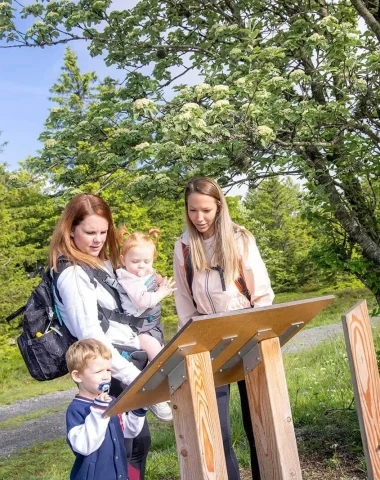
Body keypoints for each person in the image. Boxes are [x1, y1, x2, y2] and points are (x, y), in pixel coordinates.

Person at [48, 193, 162, 480]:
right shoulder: (73, 274)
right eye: (89, 232)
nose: (97, 239)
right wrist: (134, 377)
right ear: (70, 230)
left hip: (124, 366)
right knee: (121, 451)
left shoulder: (98, 263)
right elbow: (91, 334)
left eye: (103, 231)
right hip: (113, 372)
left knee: (135, 445)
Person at [173, 177, 274, 480]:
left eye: (205, 210)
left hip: (245, 329)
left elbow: (262, 293)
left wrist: (261, 335)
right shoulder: (184, 246)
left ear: (219, 206)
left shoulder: (240, 239)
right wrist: (190, 342)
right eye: (193, 211)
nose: (199, 218)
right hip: (208, 336)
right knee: (217, 428)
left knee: (257, 420)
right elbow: (182, 297)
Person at [65, 338, 147, 480]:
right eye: (98, 371)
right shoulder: (76, 409)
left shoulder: (111, 401)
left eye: (108, 370)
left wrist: (138, 411)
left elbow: (127, 431)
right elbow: (84, 447)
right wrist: (98, 412)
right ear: (78, 376)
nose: (105, 376)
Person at [116, 227, 176, 362]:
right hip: (140, 329)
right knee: (160, 361)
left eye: (147, 261)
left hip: (153, 324)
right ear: (123, 260)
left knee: (165, 353)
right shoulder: (127, 278)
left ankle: (164, 381)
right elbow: (142, 301)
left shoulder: (148, 272)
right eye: (135, 262)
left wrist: (163, 285)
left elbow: (156, 280)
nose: (141, 266)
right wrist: (161, 293)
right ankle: (160, 379)